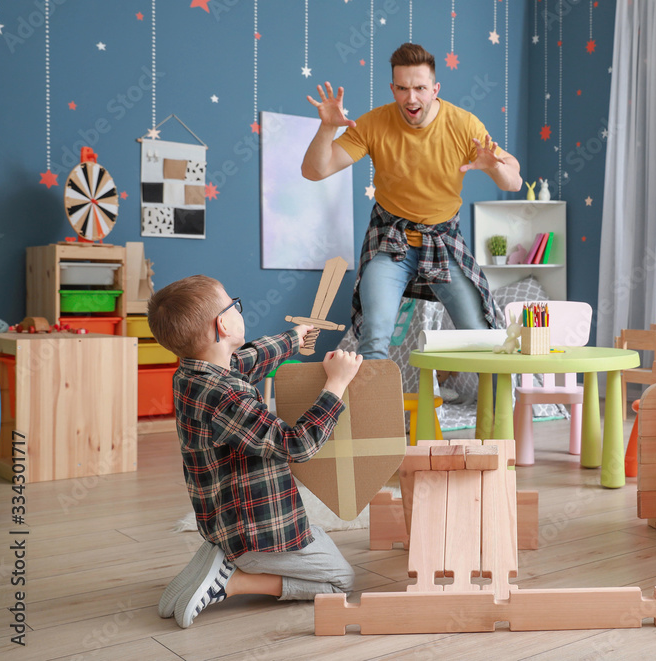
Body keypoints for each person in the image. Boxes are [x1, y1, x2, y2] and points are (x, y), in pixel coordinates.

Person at [147, 275, 363, 628]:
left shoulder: (190, 375)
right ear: (223, 323)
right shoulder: (229, 397)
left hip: (224, 520)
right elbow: (297, 444)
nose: (238, 309)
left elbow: (245, 359)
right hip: (258, 530)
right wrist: (336, 383)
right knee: (341, 580)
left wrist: (293, 339)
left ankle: (223, 555)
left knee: (318, 536)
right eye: (234, 305)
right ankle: (232, 581)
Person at [301, 42, 523, 359]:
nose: (411, 98)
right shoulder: (373, 124)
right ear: (392, 89)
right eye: (403, 88)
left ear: (435, 88)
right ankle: (378, 410)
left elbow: (514, 181)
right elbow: (314, 171)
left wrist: (495, 167)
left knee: (481, 336)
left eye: (420, 87)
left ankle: (496, 410)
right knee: (374, 337)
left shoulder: (464, 125)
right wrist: (326, 129)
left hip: (444, 240)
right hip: (390, 239)